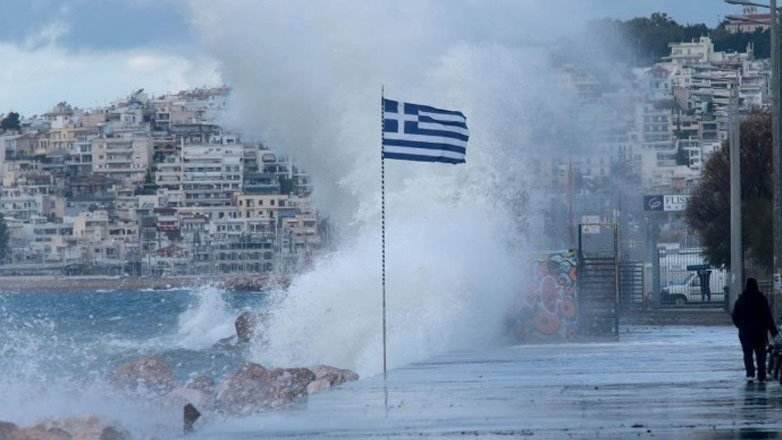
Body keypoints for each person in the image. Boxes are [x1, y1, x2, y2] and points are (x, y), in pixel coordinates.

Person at [732, 278, 779, 383]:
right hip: (759, 331)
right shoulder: (761, 299)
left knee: (747, 353)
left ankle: (750, 374)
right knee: (760, 354)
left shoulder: (741, 300)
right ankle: (761, 375)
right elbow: (768, 316)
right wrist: (773, 332)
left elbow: (735, 316)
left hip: (745, 332)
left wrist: (740, 326)